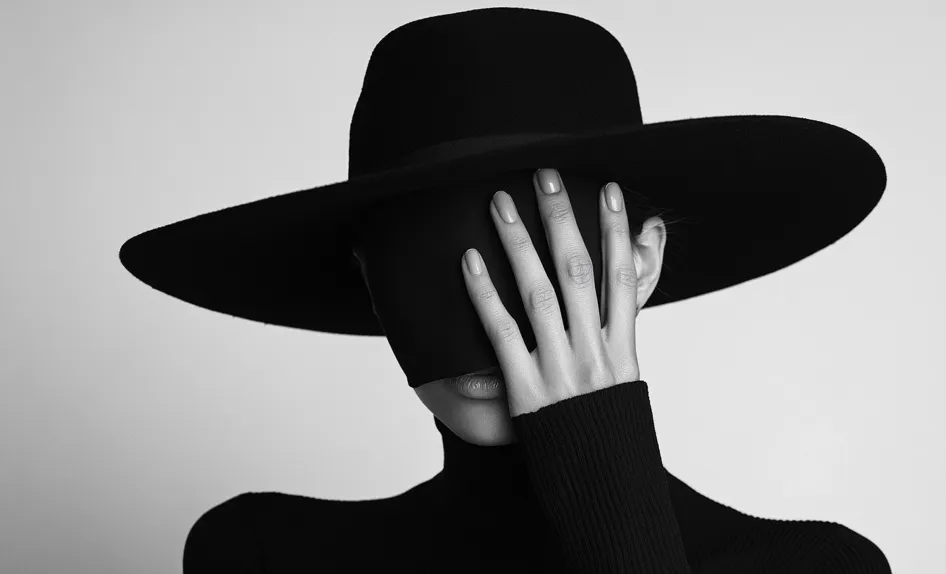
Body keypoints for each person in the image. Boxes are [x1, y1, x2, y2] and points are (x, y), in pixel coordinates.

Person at [119, 7, 892, 573]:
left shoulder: (819, 567)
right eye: (436, 257)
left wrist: (604, 477)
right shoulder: (265, 556)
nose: (496, 311)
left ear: (640, 262)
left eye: (538, 247)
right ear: (369, 280)